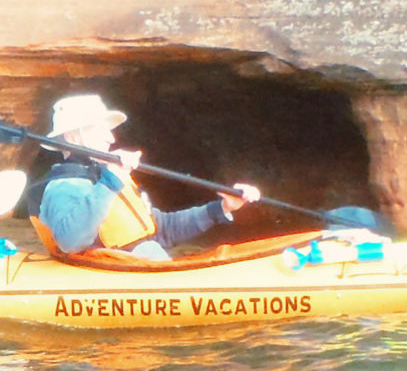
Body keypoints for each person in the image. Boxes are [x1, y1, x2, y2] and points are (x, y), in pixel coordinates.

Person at [30, 93, 259, 260]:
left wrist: (222, 209)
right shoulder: (64, 185)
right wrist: (111, 181)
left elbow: (162, 229)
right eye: (101, 129)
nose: (111, 138)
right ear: (73, 136)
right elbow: (71, 242)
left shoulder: (106, 177)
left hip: (146, 269)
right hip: (116, 279)